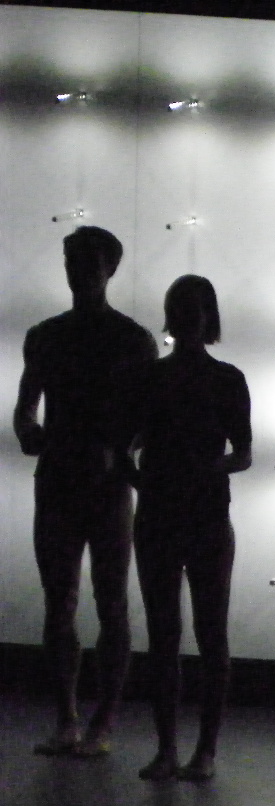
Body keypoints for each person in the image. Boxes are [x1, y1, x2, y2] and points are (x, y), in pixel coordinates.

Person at [13, 226, 158, 757]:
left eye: (88, 265)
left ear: (108, 270)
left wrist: (118, 449)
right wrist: (30, 430)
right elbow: (26, 407)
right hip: (79, 480)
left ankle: (88, 721)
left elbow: (148, 419)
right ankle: (81, 720)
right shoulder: (66, 337)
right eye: (74, 264)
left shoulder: (122, 340)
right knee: (73, 602)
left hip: (93, 481)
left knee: (99, 601)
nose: (80, 274)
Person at [120, 275, 251, 781]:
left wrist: (142, 479)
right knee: (208, 634)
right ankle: (203, 751)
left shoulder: (152, 378)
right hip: (206, 515)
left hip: (162, 514)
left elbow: (127, 443)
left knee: (166, 635)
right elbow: (242, 453)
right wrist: (209, 469)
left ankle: (169, 750)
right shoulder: (226, 379)